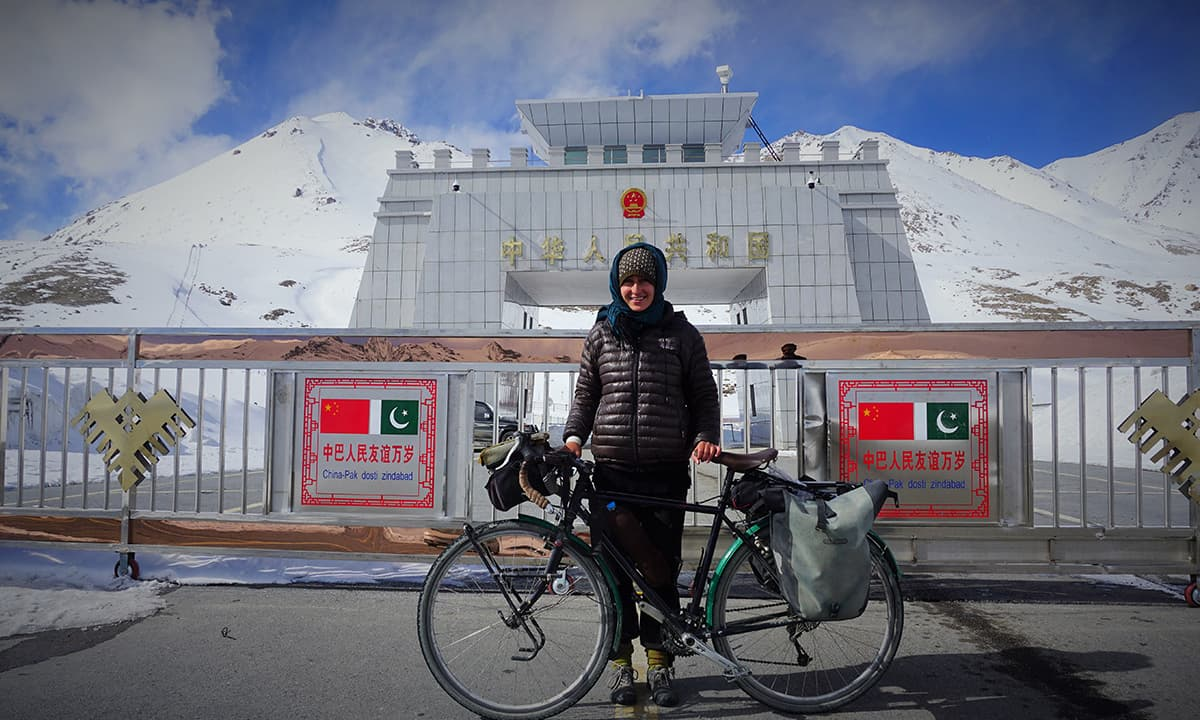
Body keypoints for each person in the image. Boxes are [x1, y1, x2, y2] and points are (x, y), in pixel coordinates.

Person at [563, 242, 721, 708]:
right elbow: (586, 394)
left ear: (659, 284)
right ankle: (620, 665)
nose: (636, 289)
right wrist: (573, 436)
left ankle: (659, 662)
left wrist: (705, 435)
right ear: (618, 285)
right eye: (628, 281)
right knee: (611, 574)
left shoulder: (682, 334)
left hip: (665, 473)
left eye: (645, 281)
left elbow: (703, 394)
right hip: (611, 475)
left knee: (660, 571)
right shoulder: (601, 334)